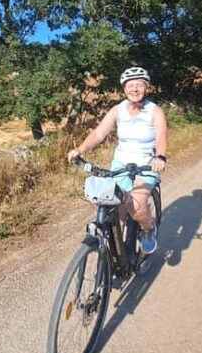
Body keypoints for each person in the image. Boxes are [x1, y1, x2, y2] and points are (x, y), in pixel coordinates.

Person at [67, 67, 168, 254]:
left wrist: (159, 156)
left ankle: (147, 229)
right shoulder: (118, 110)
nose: (135, 89)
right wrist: (80, 149)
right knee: (115, 212)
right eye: (131, 85)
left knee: (135, 206)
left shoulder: (155, 111)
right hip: (120, 165)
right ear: (124, 89)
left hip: (146, 165)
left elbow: (161, 136)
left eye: (139, 85)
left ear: (146, 87)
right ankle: (117, 258)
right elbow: (99, 133)